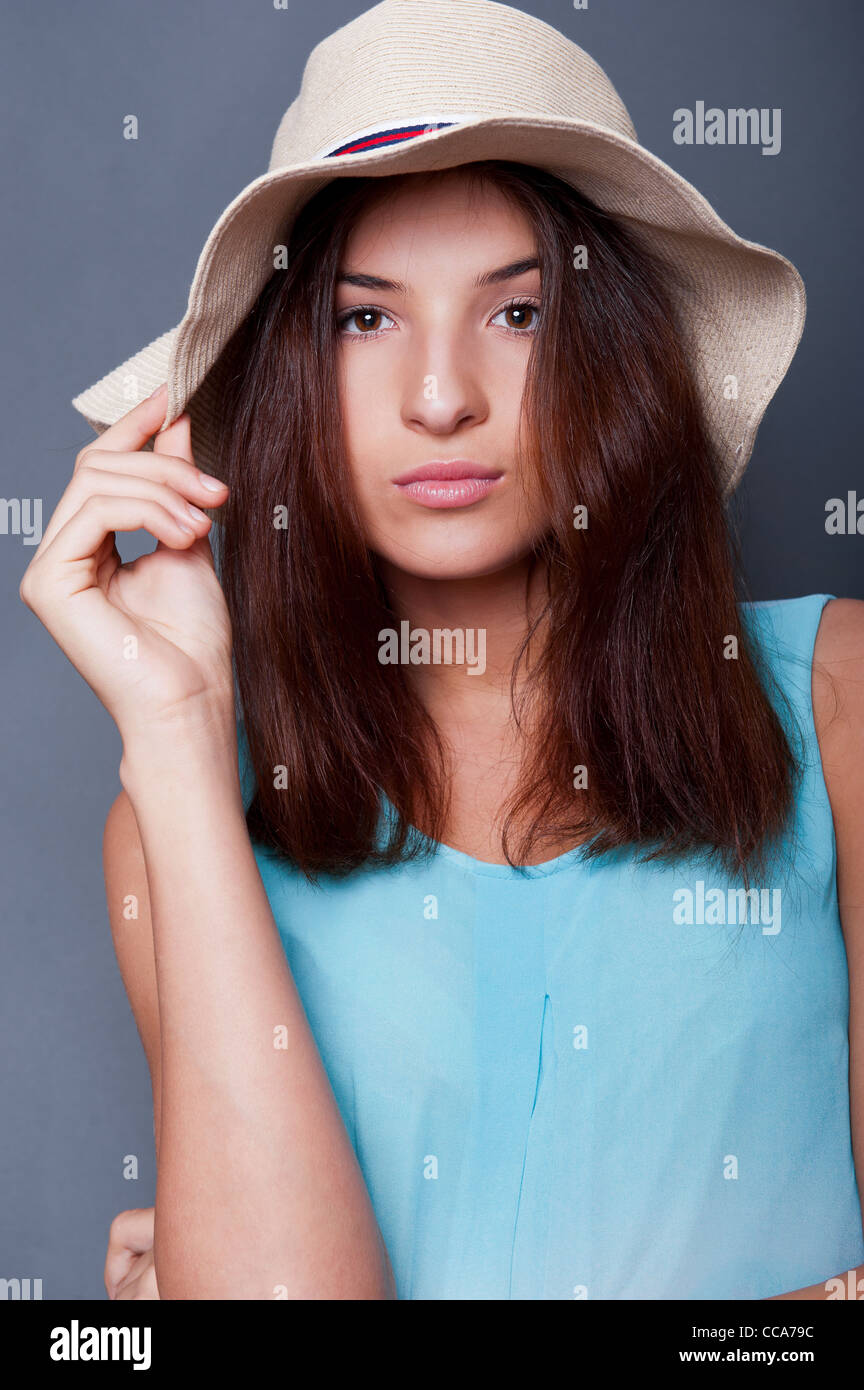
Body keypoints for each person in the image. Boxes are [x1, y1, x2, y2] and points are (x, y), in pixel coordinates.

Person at [21, 0, 864, 1300]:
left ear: (618, 352)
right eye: (366, 319)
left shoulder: (841, 700)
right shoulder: (179, 825)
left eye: (517, 314)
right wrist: (178, 728)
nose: (439, 395)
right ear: (295, 371)